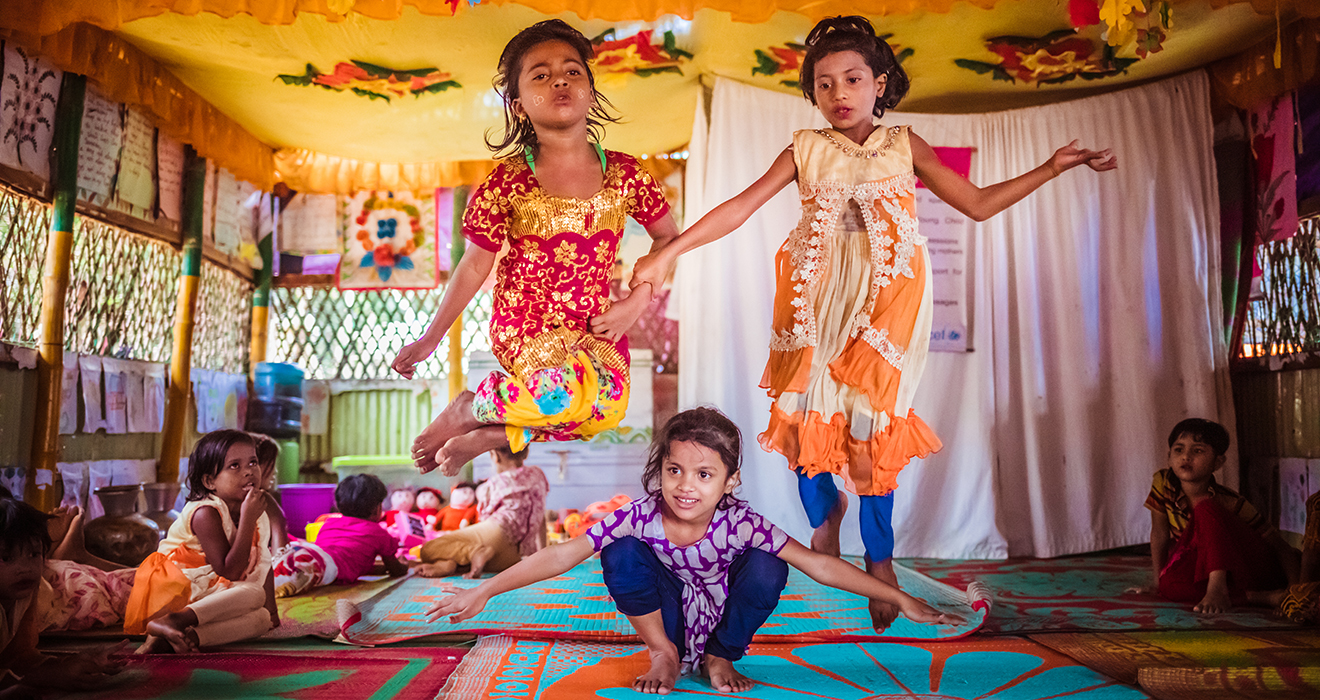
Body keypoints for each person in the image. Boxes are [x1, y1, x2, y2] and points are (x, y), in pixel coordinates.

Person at [629, 15, 1117, 629]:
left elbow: (979, 203)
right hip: (815, 301)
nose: (839, 94)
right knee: (808, 422)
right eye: (825, 84)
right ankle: (823, 517)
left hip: (888, 301)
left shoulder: (903, 144)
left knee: (871, 426)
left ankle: (880, 562)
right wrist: (670, 250)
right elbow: (737, 209)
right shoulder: (804, 150)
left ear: (879, 84)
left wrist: (1054, 166)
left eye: (852, 79)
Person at [428, 408, 960, 695]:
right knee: (618, 551)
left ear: (729, 483)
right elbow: (566, 553)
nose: (685, 486)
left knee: (770, 564)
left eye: (704, 475)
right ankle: (662, 653)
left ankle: (722, 654)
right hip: (667, 620)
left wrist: (901, 596)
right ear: (659, 470)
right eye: (674, 470)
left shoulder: (742, 523)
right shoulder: (642, 513)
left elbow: (819, 564)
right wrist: (486, 591)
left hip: (721, 621)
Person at [391, 19, 678, 476]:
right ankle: (470, 407)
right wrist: (431, 337)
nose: (559, 80)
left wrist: (635, 304)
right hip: (527, 326)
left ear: (589, 90)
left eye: (572, 71)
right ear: (519, 104)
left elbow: (669, 238)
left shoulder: (626, 174)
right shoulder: (507, 180)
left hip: (594, 326)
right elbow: (473, 266)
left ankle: (485, 428)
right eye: (540, 75)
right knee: (562, 398)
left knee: (607, 410)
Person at [124, 429, 279, 652]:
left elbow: (262, 561)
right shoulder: (205, 512)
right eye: (234, 466)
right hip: (175, 592)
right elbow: (230, 571)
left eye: (253, 462)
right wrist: (247, 519)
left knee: (262, 618)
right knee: (254, 593)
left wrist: (272, 613)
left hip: (209, 594)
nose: (249, 472)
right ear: (209, 481)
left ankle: (184, 638)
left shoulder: (252, 511)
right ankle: (172, 621)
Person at [1146, 418, 1299, 613]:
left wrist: (1297, 591)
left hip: (1248, 570)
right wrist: (1156, 581)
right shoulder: (1163, 483)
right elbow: (1159, 533)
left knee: (1205, 508)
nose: (1186, 457)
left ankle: (1217, 588)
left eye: (1198, 451)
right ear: (1169, 457)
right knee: (1169, 585)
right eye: (1179, 450)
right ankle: (1256, 597)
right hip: (1216, 573)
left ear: (1218, 462)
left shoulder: (1231, 502)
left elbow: (1282, 549)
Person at [0, 496, 126, 697]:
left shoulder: (25, 592)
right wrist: (43, 678)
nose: (24, 569)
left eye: (34, 554)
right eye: (6, 558)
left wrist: (70, 664)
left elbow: (18, 656)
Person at [414, 445, 549, 578]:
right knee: (474, 558)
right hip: (512, 558)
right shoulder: (538, 474)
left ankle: (473, 553)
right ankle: (450, 564)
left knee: (428, 549)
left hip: (498, 533)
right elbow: (540, 516)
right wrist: (542, 556)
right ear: (525, 453)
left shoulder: (493, 484)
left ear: (495, 456)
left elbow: (483, 519)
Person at [272, 474, 407, 597]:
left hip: (313, 552)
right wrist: (404, 566)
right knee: (293, 576)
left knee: (289, 558)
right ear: (376, 508)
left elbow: (350, 560)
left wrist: (379, 570)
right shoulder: (377, 532)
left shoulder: (329, 523)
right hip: (324, 564)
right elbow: (394, 569)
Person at [253, 434, 289, 551]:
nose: (275, 471)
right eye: (271, 464)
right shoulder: (261, 502)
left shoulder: (267, 498)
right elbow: (280, 562)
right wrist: (278, 520)